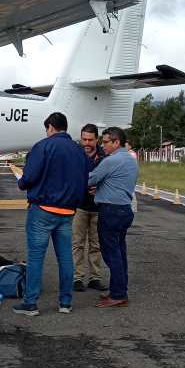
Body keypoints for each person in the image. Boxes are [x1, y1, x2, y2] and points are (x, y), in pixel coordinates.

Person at [13, 112, 88, 316]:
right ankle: (65, 302)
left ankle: (31, 303)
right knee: (65, 258)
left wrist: (21, 182)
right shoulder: (78, 150)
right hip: (68, 211)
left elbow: (29, 176)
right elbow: (84, 179)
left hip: (43, 209)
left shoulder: (43, 146)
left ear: (51, 127)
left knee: (36, 257)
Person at [89, 127, 139, 308]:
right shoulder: (131, 160)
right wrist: (102, 187)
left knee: (111, 254)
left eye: (105, 142)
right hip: (124, 209)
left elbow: (91, 179)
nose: (103, 145)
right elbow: (117, 182)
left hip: (110, 211)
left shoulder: (111, 160)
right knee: (120, 252)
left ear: (116, 142)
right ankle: (119, 289)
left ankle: (118, 294)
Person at [73, 124, 106, 293]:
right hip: (79, 206)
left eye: (90, 140)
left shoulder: (105, 156)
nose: (86, 143)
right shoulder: (75, 154)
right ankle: (77, 277)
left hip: (98, 207)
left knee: (96, 245)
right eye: (84, 139)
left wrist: (100, 188)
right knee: (77, 244)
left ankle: (95, 277)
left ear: (97, 140)